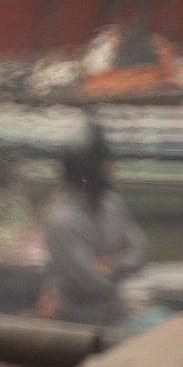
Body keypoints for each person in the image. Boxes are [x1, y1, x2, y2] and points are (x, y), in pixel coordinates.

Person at [40, 139, 147, 328]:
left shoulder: (113, 205)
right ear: (89, 168)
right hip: (75, 325)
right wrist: (120, 260)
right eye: (107, 164)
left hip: (115, 319)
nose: (112, 171)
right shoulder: (62, 220)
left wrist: (109, 264)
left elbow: (140, 252)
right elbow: (90, 282)